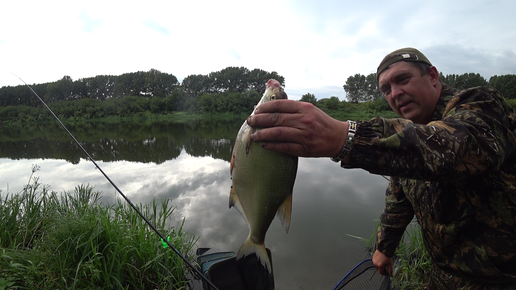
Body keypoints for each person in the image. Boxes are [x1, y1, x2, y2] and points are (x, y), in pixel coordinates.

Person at [246, 47, 516, 289]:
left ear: (433, 76)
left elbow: (455, 148)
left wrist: (347, 137)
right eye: (386, 89)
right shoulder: (407, 133)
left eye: (403, 80)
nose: (395, 94)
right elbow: (399, 198)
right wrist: (385, 247)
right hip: (444, 276)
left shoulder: (482, 104)